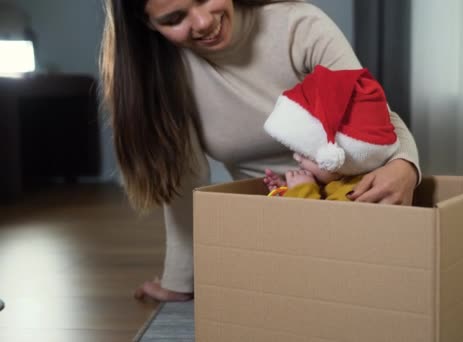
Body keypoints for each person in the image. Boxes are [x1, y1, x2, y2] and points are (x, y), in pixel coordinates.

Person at [100, 0, 421, 302]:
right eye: (174, 18)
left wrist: (405, 165)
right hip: (275, 221)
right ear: (148, 23)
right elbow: (185, 183)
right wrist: (180, 281)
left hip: (353, 205)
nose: (202, 22)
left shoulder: (299, 26)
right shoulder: (164, 75)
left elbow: (373, 112)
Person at [263, 65, 402, 201]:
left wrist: (302, 189)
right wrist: (287, 192)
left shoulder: (354, 192)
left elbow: (323, 221)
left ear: (340, 161)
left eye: (307, 155)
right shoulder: (335, 182)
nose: (297, 158)